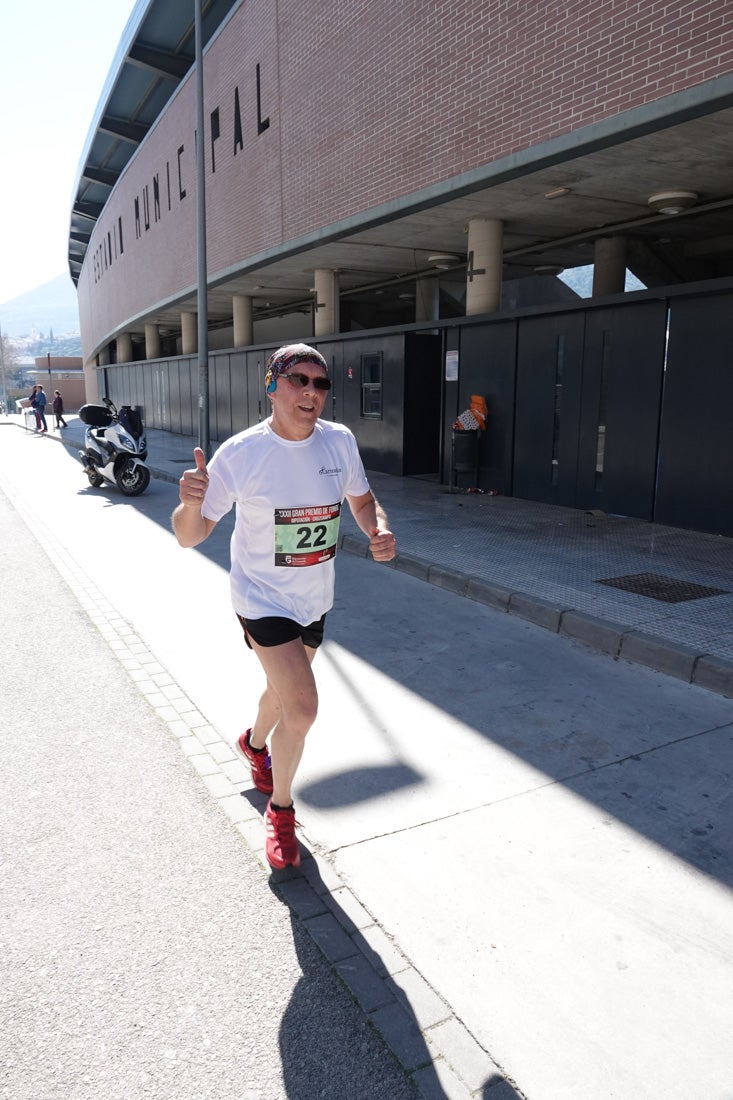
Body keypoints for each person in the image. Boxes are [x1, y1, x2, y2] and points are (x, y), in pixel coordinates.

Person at [172, 343, 397, 869]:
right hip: (261, 598)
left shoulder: (339, 442)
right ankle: (280, 810)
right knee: (302, 707)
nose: (312, 392)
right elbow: (190, 536)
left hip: (314, 599)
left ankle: (253, 745)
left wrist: (377, 528)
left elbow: (361, 501)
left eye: (321, 385)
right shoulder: (242, 455)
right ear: (272, 385)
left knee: (282, 691)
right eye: (300, 380)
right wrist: (188, 501)